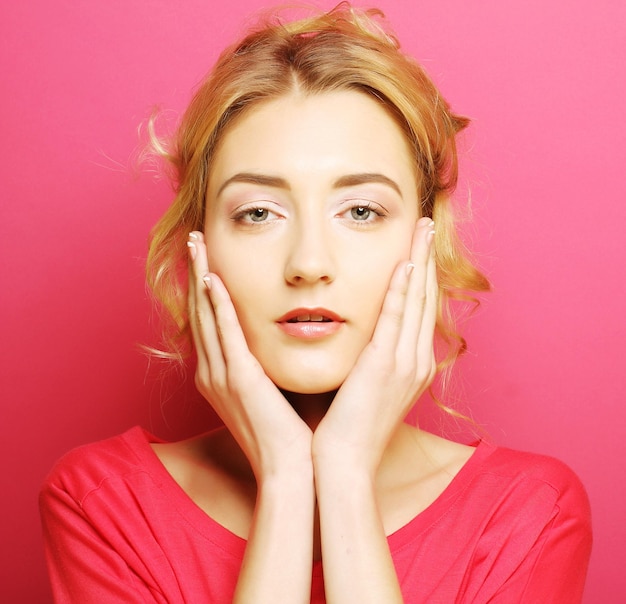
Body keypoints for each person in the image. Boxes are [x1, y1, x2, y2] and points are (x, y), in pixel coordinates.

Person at [39, 4, 592, 602]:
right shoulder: (103, 504)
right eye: (258, 213)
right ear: (199, 248)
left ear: (425, 241)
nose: (307, 263)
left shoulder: (528, 516)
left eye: (360, 211)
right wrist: (284, 476)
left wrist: (346, 472)